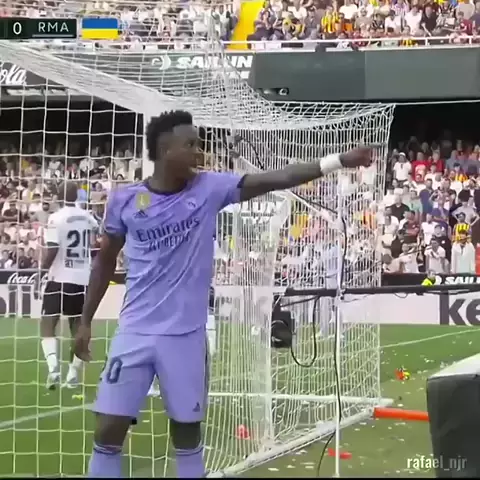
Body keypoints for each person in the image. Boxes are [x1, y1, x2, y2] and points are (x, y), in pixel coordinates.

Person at [74, 110, 372, 478]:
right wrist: (85, 320)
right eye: (190, 145)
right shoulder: (125, 200)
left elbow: (278, 178)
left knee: (186, 434)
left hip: (185, 337)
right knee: (107, 430)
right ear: (166, 151)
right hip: (133, 332)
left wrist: (339, 160)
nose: (199, 152)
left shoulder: (209, 188)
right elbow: (104, 261)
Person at [40, 182, 98, 390]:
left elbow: (53, 248)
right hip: (82, 279)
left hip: (59, 277)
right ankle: (72, 375)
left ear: (58, 196)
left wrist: (42, 270)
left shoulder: (55, 218)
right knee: (78, 327)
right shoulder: (88, 218)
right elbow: (95, 243)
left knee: (48, 323)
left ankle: (53, 369)